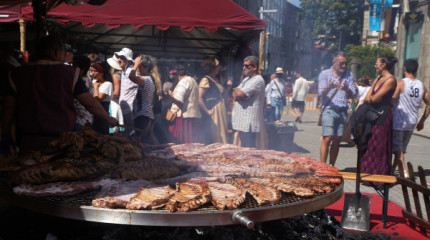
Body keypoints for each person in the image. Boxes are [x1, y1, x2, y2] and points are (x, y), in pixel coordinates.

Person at [7, 35, 118, 153]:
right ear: (56, 51)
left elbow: (8, 106)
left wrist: (5, 133)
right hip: (62, 142)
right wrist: (108, 118)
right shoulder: (70, 74)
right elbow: (90, 103)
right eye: (63, 53)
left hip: (28, 141)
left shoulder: (16, 74)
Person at [360, 56, 398, 177]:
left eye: (377, 63)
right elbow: (368, 97)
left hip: (383, 115)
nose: (375, 65)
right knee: (370, 143)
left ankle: (379, 177)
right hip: (373, 114)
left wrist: (371, 99)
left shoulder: (391, 80)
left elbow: (374, 97)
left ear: (384, 65)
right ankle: (367, 174)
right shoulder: (378, 78)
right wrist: (371, 99)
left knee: (380, 145)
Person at [392, 59, 430, 178]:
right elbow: (429, 103)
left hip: (399, 121)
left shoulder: (401, 83)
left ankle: (405, 172)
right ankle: (392, 169)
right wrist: (422, 121)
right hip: (412, 122)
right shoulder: (421, 86)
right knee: (401, 149)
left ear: (404, 69)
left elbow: (392, 100)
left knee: (399, 149)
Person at [318, 51, 356, 166]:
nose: (344, 66)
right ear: (334, 63)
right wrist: (329, 87)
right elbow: (321, 93)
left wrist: (347, 90)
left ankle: (332, 166)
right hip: (329, 110)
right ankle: (323, 166)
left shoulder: (349, 75)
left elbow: (353, 94)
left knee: (337, 140)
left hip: (342, 111)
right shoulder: (324, 74)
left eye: (345, 63)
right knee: (327, 138)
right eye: (341, 63)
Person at [231, 55, 265, 148]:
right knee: (244, 148)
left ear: (255, 67)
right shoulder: (246, 79)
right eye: (243, 66)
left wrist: (236, 91)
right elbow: (235, 93)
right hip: (243, 121)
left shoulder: (258, 80)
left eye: (247, 66)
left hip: (248, 122)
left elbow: (239, 94)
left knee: (249, 149)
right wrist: (236, 91)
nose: (244, 68)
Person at [198, 57, 231, 144]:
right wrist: (207, 111)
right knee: (214, 134)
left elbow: (222, 93)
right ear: (212, 67)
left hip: (220, 110)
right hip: (214, 111)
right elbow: (199, 97)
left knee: (221, 133)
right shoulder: (206, 79)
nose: (219, 68)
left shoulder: (215, 79)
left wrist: (229, 87)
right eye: (217, 66)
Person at [168, 64, 202, 143]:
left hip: (184, 116)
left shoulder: (183, 81)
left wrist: (170, 93)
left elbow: (178, 99)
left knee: (183, 142)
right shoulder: (192, 80)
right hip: (192, 114)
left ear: (178, 74)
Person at [128, 55, 158, 144]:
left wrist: (135, 64)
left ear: (146, 68)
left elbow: (131, 77)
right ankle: (164, 154)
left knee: (141, 141)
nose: (137, 68)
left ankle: (165, 155)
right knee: (150, 138)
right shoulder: (148, 79)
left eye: (139, 66)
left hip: (143, 115)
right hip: (146, 114)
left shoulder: (146, 80)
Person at [115, 48, 137, 126]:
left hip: (131, 110)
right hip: (126, 109)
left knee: (132, 134)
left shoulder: (132, 72)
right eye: (118, 57)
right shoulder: (125, 72)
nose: (119, 59)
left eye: (122, 57)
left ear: (128, 60)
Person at [72, 55, 93, 131]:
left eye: (74, 66)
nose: (72, 68)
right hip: (86, 118)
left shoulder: (81, 81)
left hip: (80, 119)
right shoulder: (87, 80)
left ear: (82, 69)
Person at [91, 63, 113, 134]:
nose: (92, 73)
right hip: (93, 114)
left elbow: (98, 100)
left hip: (102, 114)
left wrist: (96, 87)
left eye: (95, 71)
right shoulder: (94, 82)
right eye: (91, 71)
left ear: (102, 72)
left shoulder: (108, 84)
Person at [107, 55, 124, 134]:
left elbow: (117, 92)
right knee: (121, 124)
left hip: (115, 103)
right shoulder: (123, 75)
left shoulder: (116, 76)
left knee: (115, 128)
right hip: (122, 103)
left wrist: (107, 95)